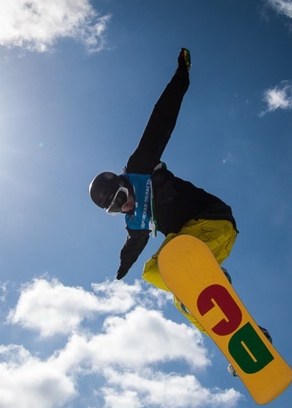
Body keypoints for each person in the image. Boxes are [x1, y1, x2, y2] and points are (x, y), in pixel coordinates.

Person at [88, 48, 242, 337]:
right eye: (115, 208)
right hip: (210, 245)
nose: (124, 206)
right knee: (160, 277)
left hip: (211, 222)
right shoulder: (134, 221)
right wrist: (122, 271)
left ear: (123, 182)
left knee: (170, 261)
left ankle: (207, 278)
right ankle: (228, 332)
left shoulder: (140, 167)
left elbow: (161, 121)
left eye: (120, 197)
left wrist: (181, 75)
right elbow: (132, 248)